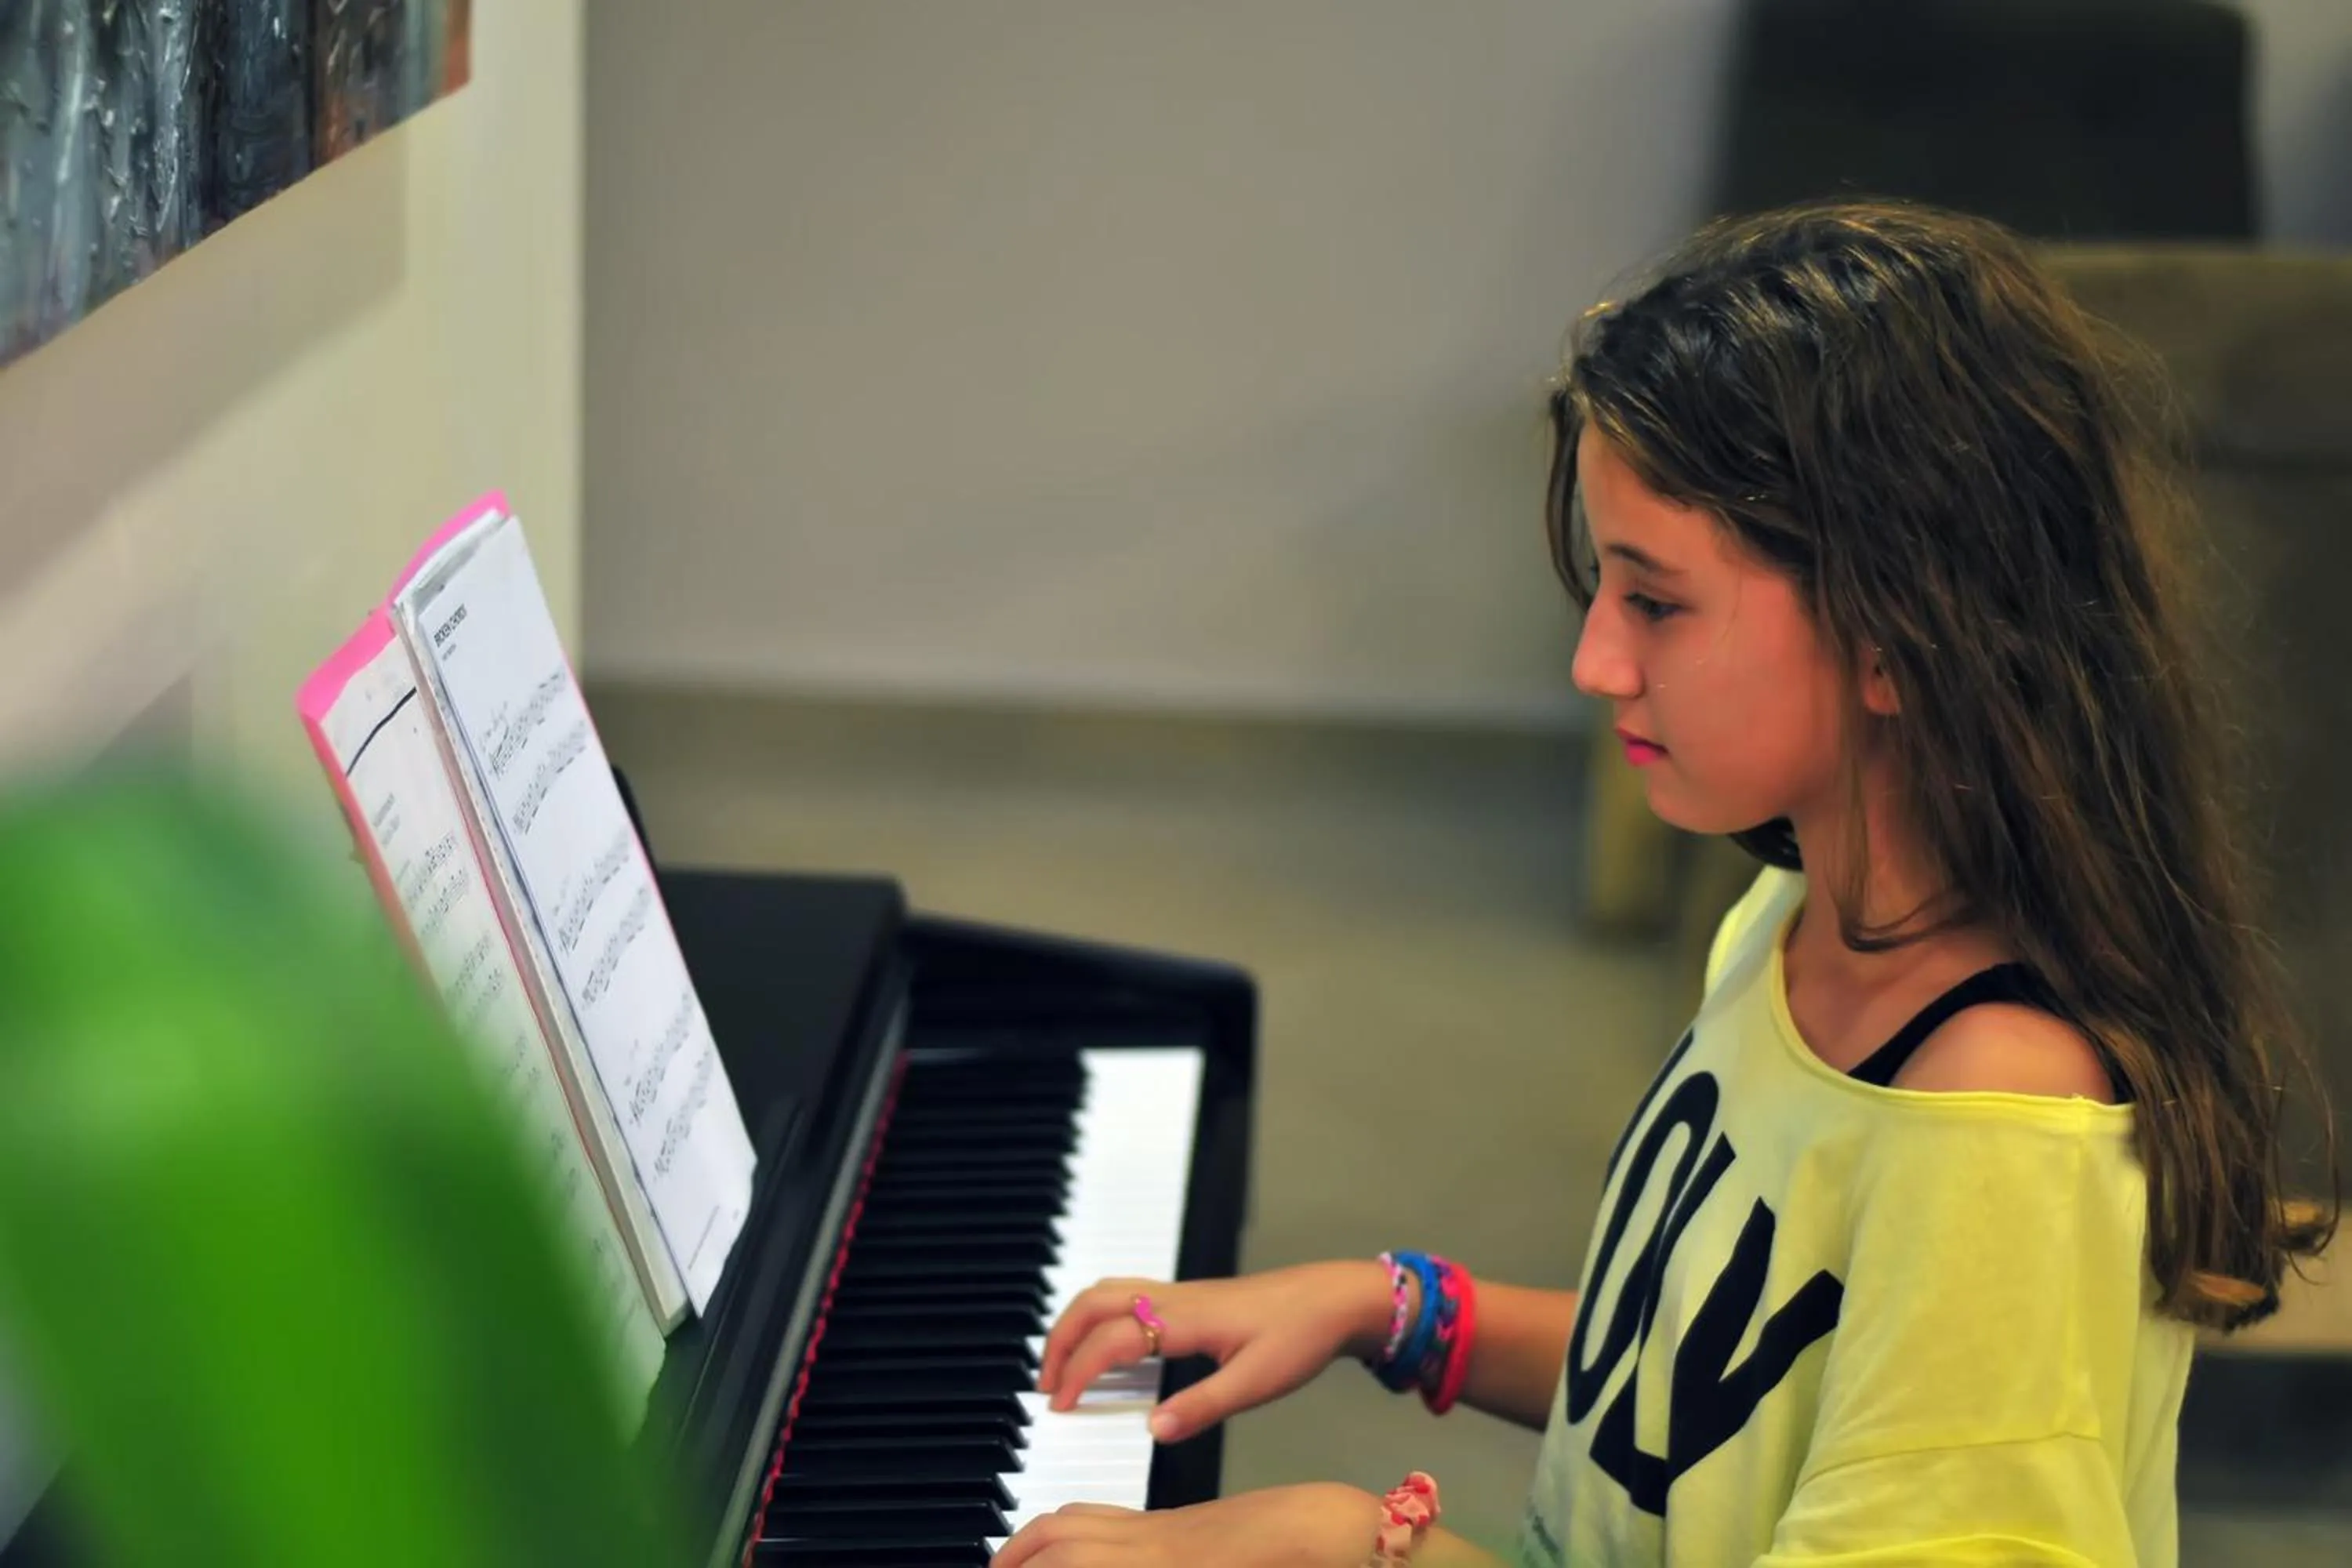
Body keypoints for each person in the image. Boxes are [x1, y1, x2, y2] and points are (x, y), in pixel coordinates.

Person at [991, 198, 2337, 1567]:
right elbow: (1701, 1387)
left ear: (1901, 635)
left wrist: (1364, 1547)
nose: (1596, 663)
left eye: (1655, 601)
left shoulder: (1997, 1123)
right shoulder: (1801, 919)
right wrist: (1398, 1310)